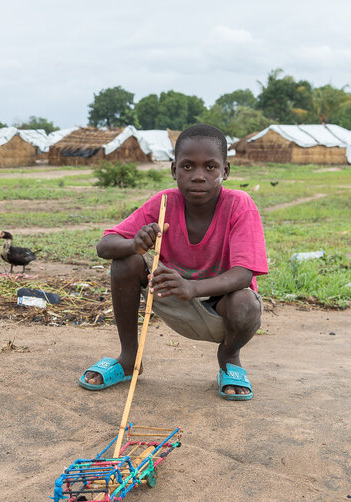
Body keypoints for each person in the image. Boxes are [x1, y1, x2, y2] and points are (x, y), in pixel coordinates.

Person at [79, 124, 268, 400]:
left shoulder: (239, 204)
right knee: (125, 261)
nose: (199, 176)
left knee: (247, 304)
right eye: (188, 166)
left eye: (210, 167)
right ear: (174, 170)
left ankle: (229, 358)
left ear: (225, 171)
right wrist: (135, 244)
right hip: (172, 296)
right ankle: (129, 358)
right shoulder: (165, 202)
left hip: (220, 307)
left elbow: (243, 274)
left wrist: (191, 288)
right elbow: (104, 245)